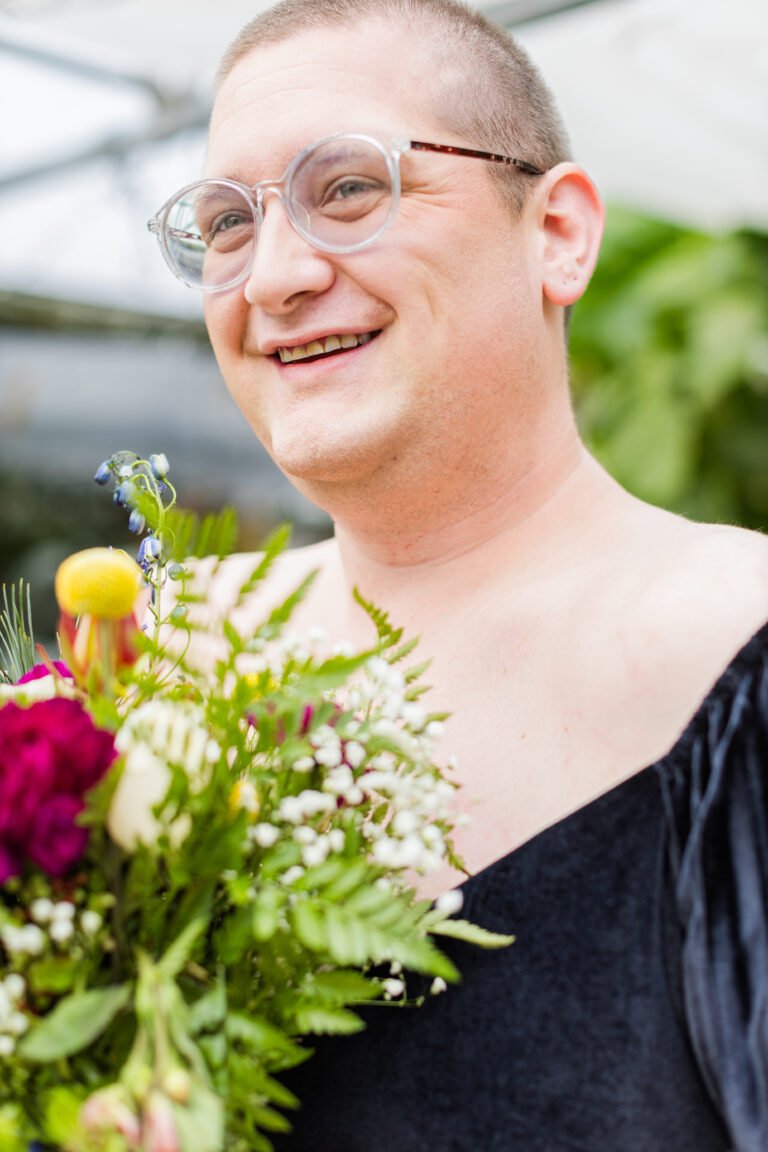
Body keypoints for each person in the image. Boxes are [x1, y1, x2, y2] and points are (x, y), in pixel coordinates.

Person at [147, 0, 768, 1147]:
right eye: (225, 223)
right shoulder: (160, 656)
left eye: (347, 188)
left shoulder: (734, 642)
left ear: (559, 234)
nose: (274, 276)